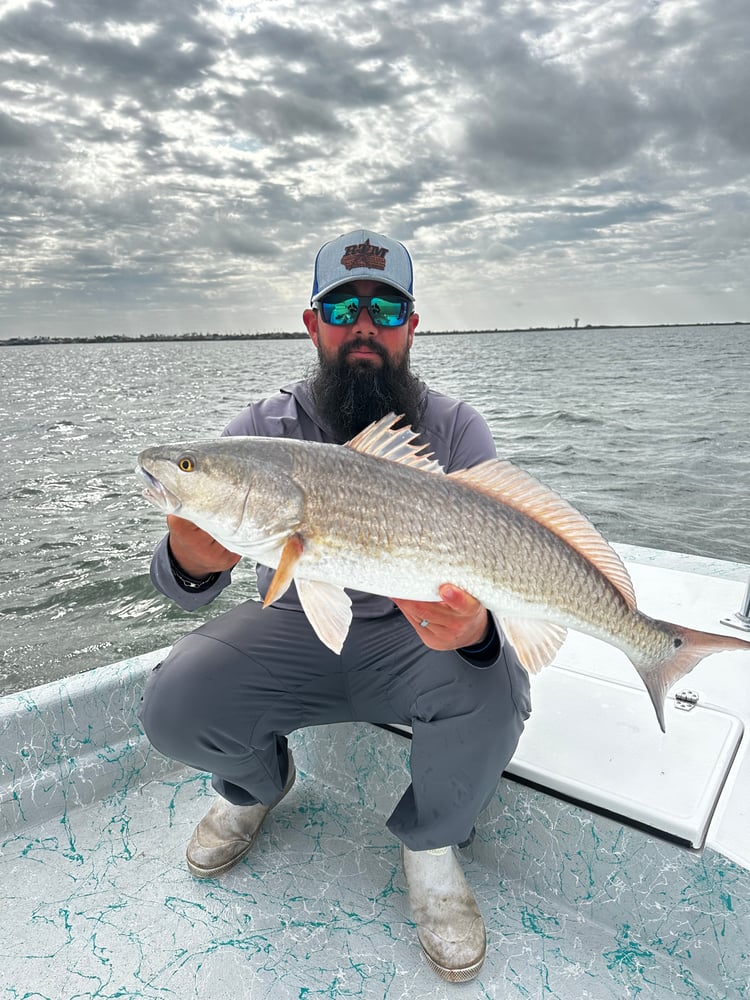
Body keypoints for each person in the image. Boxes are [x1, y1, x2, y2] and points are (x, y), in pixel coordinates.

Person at [138, 228, 531, 983]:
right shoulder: (256, 433)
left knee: (499, 683)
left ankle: (431, 846)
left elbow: (507, 560)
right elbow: (180, 584)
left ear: (411, 327)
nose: (363, 325)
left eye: (385, 310)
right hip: (293, 631)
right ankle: (256, 788)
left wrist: (477, 630)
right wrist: (190, 559)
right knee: (174, 702)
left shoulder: (454, 428)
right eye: (342, 306)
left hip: (418, 644)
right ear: (313, 322)